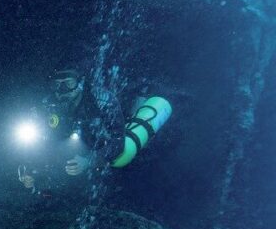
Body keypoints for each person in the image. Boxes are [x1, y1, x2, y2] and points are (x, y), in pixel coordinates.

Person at [17, 68, 172, 197]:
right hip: (77, 142)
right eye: (56, 84)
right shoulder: (47, 105)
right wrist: (27, 169)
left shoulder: (103, 100)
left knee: (124, 160)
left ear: (81, 83)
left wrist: (90, 161)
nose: (62, 90)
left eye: (68, 83)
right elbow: (34, 139)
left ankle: (143, 95)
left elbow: (118, 141)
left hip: (103, 141)